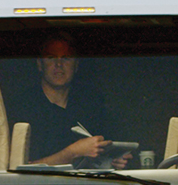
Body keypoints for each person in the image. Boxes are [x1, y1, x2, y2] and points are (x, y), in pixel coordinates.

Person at [13, 33, 129, 168]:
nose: (59, 64)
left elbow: (106, 149)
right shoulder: (23, 106)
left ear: (76, 65)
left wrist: (114, 159)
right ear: (40, 64)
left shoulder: (91, 102)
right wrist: (73, 152)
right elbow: (20, 168)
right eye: (51, 58)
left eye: (66, 58)